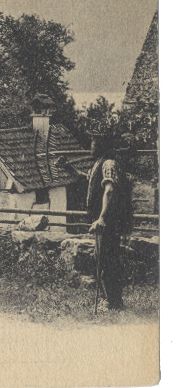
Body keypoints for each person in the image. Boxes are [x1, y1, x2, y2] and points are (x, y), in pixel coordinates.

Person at [87, 131, 136, 311]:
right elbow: (91, 182)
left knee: (107, 262)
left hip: (108, 222)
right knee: (103, 259)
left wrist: (101, 218)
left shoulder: (108, 164)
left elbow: (109, 190)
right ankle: (111, 301)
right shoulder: (100, 164)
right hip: (104, 222)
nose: (91, 147)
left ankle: (112, 302)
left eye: (94, 143)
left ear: (102, 146)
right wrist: (68, 170)